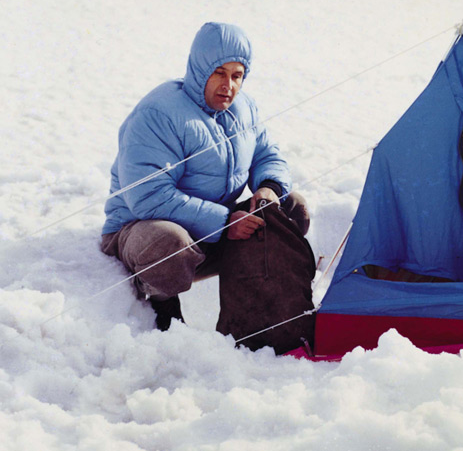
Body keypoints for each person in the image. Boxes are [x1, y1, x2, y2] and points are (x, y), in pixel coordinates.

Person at [100, 22, 310, 331]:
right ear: (199, 70)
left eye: (237, 76)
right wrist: (225, 223)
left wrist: (267, 188)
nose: (229, 86)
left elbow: (267, 154)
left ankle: (260, 302)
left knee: (290, 207)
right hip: (141, 230)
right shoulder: (158, 114)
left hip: (213, 229)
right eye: (219, 73)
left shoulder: (244, 108)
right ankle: (164, 310)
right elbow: (148, 197)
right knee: (167, 241)